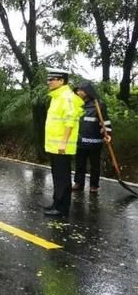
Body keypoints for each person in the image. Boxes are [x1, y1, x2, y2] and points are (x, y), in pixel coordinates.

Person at [43, 68, 84, 218]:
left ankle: (62, 209)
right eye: (49, 79)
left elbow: (70, 121)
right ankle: (56, 203)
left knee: (62, 178)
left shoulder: (66, 97)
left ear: (61, 81)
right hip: (54, 146)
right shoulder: (57, 96)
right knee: (57, 176)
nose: (49, 82)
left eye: (52, 79)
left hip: (61, 146)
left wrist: (63, 143)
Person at [72, 81, 112, 193]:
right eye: (77, 91)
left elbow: (105, 122)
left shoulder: (99, 105)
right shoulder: (77, 105)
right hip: (80, 141)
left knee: (94, 165)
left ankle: (94, 185)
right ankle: (79, 183)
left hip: (95, 142)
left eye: (80, 90)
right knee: (79, 164)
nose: (78, 92)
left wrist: (107, 134)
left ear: (87, 91)